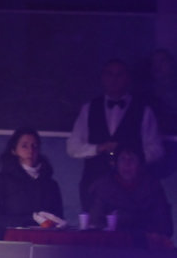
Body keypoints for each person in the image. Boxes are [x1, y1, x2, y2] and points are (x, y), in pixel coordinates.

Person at [67, 58, 164, 210]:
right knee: (94, 230)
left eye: (119, 75)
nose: (114, 79)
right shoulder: (89, 108)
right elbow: (73, 148)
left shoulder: (144, 110)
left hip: (132, 187)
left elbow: (157, 149)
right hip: (94, 183)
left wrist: (134, 158)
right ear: (102, 78)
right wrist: (98, 148)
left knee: (129, 230)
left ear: (128, 78)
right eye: (110, 74)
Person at [0, 128, 64, 241]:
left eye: (34, 146)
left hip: (43, 244)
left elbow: (58, 218)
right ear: (14, 151)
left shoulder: (51, 184)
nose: (31, 150)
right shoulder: (1, 181)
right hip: (8, 244)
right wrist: (30, 220)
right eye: (24, 146)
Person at [88, 144, 173, 238]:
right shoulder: (103, 187)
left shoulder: (153, 188)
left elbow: (164, 227)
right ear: (116, 164)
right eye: (122, 159)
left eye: (132, 159)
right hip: (111, 243)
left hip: (144, 245)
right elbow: (95, 223)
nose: (127, 164)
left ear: (140, 164)